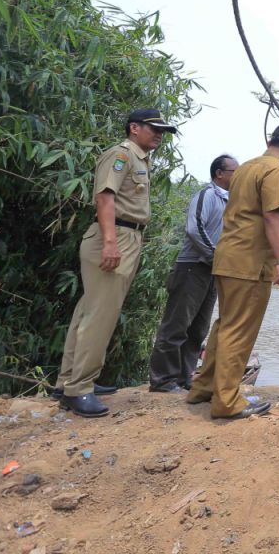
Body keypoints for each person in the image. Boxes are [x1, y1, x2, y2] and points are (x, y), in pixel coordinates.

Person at [55, 108, 179, 418]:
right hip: (115, 237)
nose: (160, 134)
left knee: (89, 310)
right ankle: (79, 389)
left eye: (163, 130)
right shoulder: (120, 155)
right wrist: (110, 242)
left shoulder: (140, 159)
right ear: (134, 128)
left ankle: (67, 382)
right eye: (155, 128)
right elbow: (104, 198)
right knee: (101, 315)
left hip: (126, 236)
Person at [186, 123, 279, 420]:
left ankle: (204, 387)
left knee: (226, 324)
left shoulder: (247, 168)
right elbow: (272, 216)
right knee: (240, 330)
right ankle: (227, 401)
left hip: (228, 257)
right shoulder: (276, 171)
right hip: (250, 263)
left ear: (269, 140)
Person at [147, 154, 238, 393]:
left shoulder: (230, 201)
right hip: (192, 267)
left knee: (198, 329)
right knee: (176, 325)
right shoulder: (207, 195)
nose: (237, 176)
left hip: (212, 271)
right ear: (220, 173)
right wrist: (216, 255)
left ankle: (183, 377)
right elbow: (194, 228)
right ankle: (162, 380)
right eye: (234, 171)